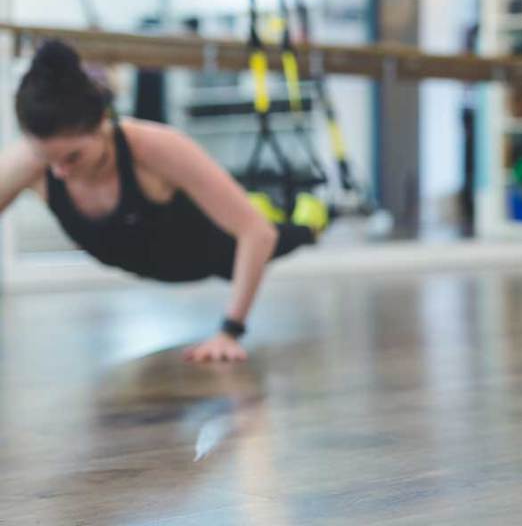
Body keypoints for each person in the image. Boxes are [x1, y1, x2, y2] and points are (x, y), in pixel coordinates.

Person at [0, 40, 327, 362]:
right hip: (155, 262)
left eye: (73, 157)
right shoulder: (28, 163)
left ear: (103, 122)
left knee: (291, 231)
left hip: (219, 250)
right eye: (46, 157)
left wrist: (230, 331)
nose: (59, 171)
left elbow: (258, 234)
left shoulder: (154, 147)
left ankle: (312, 220)